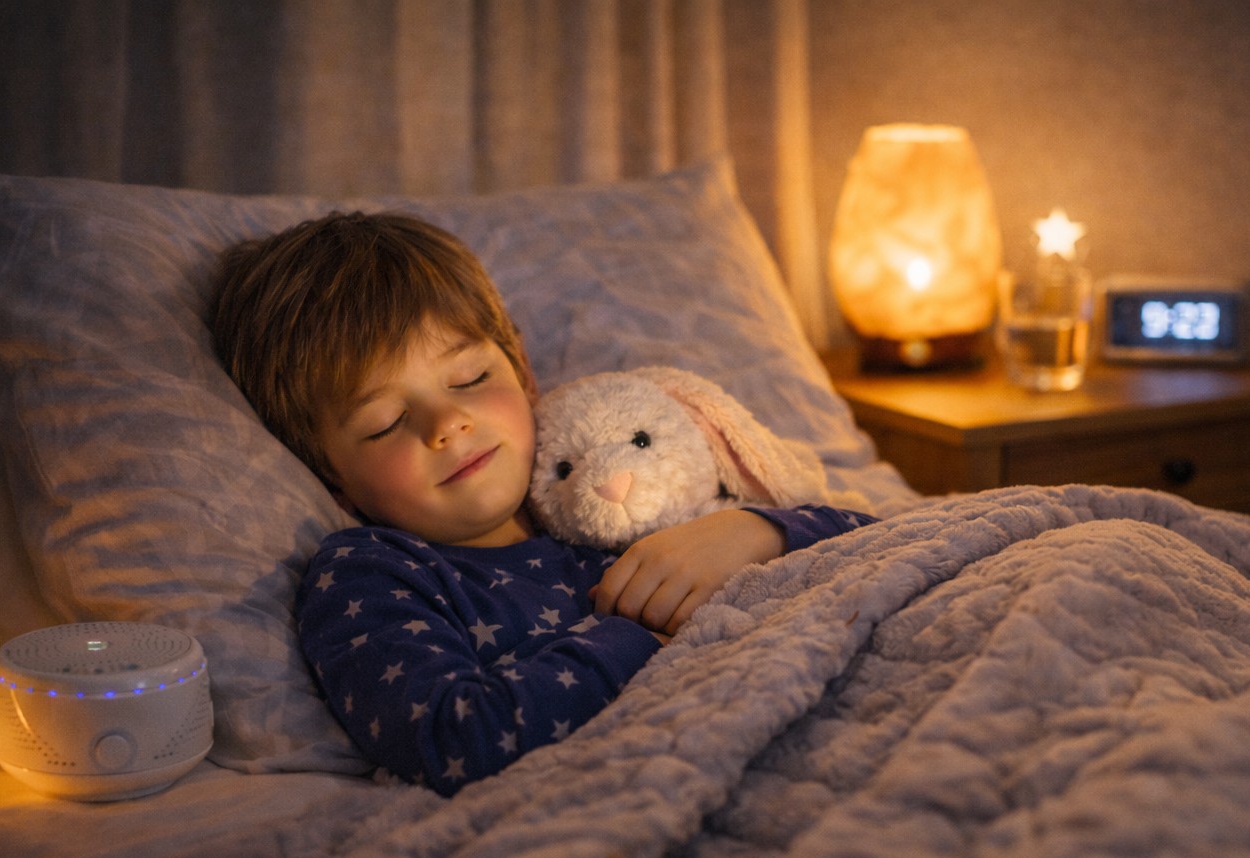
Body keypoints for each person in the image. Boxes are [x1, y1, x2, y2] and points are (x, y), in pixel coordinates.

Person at [210, 211, 874, 795]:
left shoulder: (600, 481)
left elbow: (879, 544)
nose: (447, 424)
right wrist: (643, 636)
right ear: (330, 475)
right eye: (384, 421)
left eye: (470, 379)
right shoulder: (372, 573)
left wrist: (753, 532)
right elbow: (456, 737)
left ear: (522, 373)